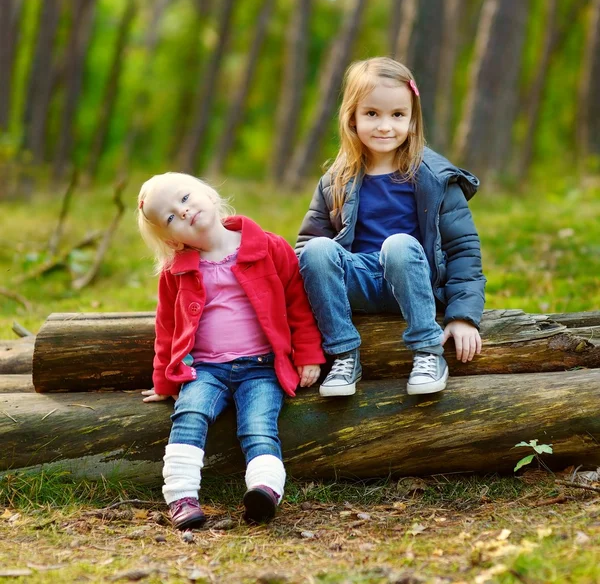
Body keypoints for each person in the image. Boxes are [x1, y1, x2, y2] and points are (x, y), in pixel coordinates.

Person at [137, 172, 324, 530]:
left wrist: (309, 354)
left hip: (261, 367)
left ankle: (265, 491)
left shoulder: (268, 247)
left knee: (258, 425)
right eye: (171, 217)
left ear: (208, 193)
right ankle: (181, 497)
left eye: (186, 198)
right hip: (204, 369)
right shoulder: (176, 272)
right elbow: (167, 328)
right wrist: (163, 380)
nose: (184, 211)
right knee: (189, 414)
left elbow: (298, 305)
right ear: (170, 239)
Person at [296, 57, 485, 398]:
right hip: (359, 284)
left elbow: (462, 250)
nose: (385, 126)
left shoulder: (435, 177)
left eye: (397, 115)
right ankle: (343, 355)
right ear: (351, 117)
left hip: (415, 277)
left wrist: (463, 316)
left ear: (413, 120)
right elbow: (308, 252)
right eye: (372, 114)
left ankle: (428, 351)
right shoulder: (336, 180)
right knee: (316, 250)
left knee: (398, 244)